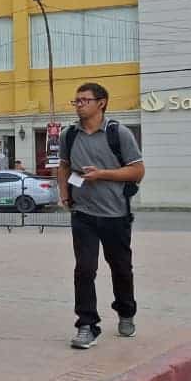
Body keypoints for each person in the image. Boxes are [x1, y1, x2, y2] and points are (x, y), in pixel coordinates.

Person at [58, 82, 144, 350]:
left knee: (120, 267)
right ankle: (86, 325)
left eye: (84, 100)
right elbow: (63, 165)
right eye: (76, 101)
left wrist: (102, 174)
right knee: (84, 269)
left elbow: (137, 171)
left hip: (115, 214)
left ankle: (126, 311)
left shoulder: (119, 133)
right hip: (83, 214)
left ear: (102, 103)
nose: (79, 104)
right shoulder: (69, 134)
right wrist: (64, 193)